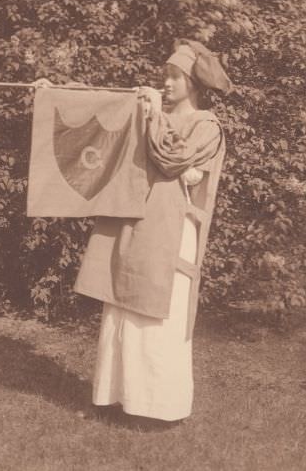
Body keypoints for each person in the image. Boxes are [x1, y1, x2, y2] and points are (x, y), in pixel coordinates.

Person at [73, 40, 231, 424]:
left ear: (193, 84)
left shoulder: (206, 124)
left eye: (175, 76)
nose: (167, 82)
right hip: (135, 218)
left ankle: (157, 407)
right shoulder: (151, 114)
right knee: (123, 304)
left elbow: (173, 160)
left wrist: (154, 115)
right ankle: (118, 398)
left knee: (156, 313)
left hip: (170, 227)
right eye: (166, 75)